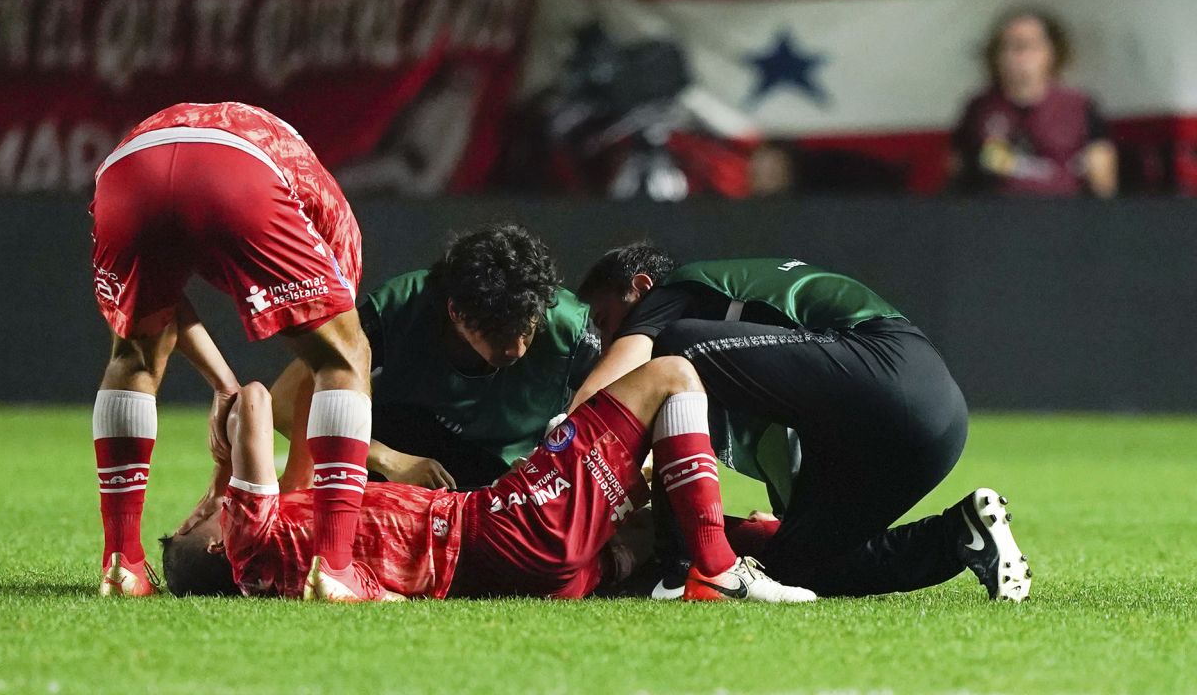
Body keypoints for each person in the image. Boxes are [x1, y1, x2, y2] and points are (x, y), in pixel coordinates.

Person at [573, 244, 1032, 602]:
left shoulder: (673, 292)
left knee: (675, 350)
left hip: (889, 362)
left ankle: (676, 569)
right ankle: (959, 534)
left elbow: (608, 386)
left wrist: (552, 456)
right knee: (797, 565)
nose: (606, 338)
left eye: (605, 320)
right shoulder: (751, 370)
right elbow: (788, 446)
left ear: (639, 287)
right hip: (932, 426)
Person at [159, 359, 817, 603]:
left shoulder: (279, 565)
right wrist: (223, 464)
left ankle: (783, 548)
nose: (202, 513)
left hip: (524, 574)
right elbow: (252, 399)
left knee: (646, 520)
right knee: (669, 376)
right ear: (220, 545)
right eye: (199, 523)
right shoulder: (252, 539)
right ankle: (719, 570)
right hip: (496, 528)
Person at [89, 102, 380, 602]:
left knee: (133, 356)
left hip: (127, 168)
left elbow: (159, 303)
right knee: (346, 353)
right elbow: (325, 368)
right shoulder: (340, 230)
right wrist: (294, 488)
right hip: (235, 165)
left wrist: (223, 383)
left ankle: (123, 563)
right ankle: (335, 566)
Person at [269, 224, 601, 491]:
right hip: (401, 455)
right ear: (455, 311)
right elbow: (283, 403)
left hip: (511, 472)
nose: (516, 349)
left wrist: (551, 460)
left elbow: (621, 410)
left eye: (527, 330)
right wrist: (388, 459)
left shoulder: (569, 325)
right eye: (497, 332)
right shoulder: (400, 309)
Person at [950, 8, 1117, 197]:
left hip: (1064, 215)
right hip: (995, 216)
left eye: (1031, 46)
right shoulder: (979, 109)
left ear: (1052, 53)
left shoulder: (1080, 106)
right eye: (1012, 46)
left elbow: (1103, 183)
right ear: (996, 55)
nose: (1022, 57)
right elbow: (956, 175)